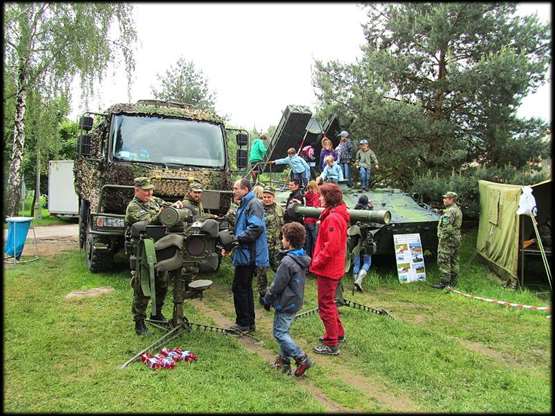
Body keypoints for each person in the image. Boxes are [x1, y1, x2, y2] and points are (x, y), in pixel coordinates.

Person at [124, 177, 183, 336]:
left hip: (160, 246)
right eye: (146, 190)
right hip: (143, 249)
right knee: (143, 286)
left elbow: (166, 207)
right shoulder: (133, 208)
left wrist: (175, 206)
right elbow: (149, 221)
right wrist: (163, 214)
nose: (150, 192)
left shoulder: (154, 200)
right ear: (136, 190)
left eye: (151, 189)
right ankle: (139, 322)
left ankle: (156, 314)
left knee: (162, 283)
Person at [260, 222, 312, 377]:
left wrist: (267, 299)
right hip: (295, 301)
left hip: (285, 302)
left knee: (279, 333)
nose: (282, 240)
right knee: (284, 331)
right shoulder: (302, 258)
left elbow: (277, 285)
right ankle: (283, 362)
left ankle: (301, 358)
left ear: (288, 241)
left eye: (283, 238)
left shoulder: (287, 262)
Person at [309, 183, 350, 355]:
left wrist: (317, 261)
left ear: (329, 198)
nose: (319, 198)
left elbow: (331, 246)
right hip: (334, 267)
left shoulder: (333, 218)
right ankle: (337, 333)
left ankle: (331, 342)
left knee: (325, 304)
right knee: (330, 302)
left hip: (328, 269)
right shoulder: (335, 214)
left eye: (321, 195)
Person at [225, 178, 270, 333]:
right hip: (244, 253)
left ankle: (243, 324)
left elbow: (255, 228)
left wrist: (237, 238)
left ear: (245, 189)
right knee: (243, 288)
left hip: (250, 255)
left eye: (236, 188)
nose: (234, 191)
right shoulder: (245, 204)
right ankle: (248, 323)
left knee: (240, 288)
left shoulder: (253, 204)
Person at [254, 187, 284, 299]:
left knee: (280, 269)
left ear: (273, 197)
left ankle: (280, 291)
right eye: (264, 197)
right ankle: (263, 293)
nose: (266, 199)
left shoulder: (279, 209)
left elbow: (283, 225)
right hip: (263, 246)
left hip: (276, 246)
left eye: (269, 197)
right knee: (261, 271)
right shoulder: (257, 208)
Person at [432, 191, 463, 289]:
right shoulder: (457, 210)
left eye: (446, 198)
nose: (444, 200)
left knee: (444, 260)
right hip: (456, 239)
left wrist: (443, 238)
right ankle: (453, 282)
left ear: (451, 199)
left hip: (448, 240)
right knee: (454, 260)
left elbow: (446, 227)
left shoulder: (450, 211)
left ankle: (444, 283)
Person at [351, 195, 374, 292]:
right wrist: (371, 207)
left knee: (356, 263)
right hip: (366, 240)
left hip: (355, 240)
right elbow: (374, 221)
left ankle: (355, 284)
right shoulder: (368, 212)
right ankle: (359, 280)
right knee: (367, 262)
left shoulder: (354, 211)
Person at [303, 180, 320, 259]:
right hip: (312, 221)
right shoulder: (316, 195)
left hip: (306, 220)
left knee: (308, 243)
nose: (310, 190)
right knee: (315, 242)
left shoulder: (306, 195)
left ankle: (308, 260)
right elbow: (315, 206)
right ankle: (314, 259)